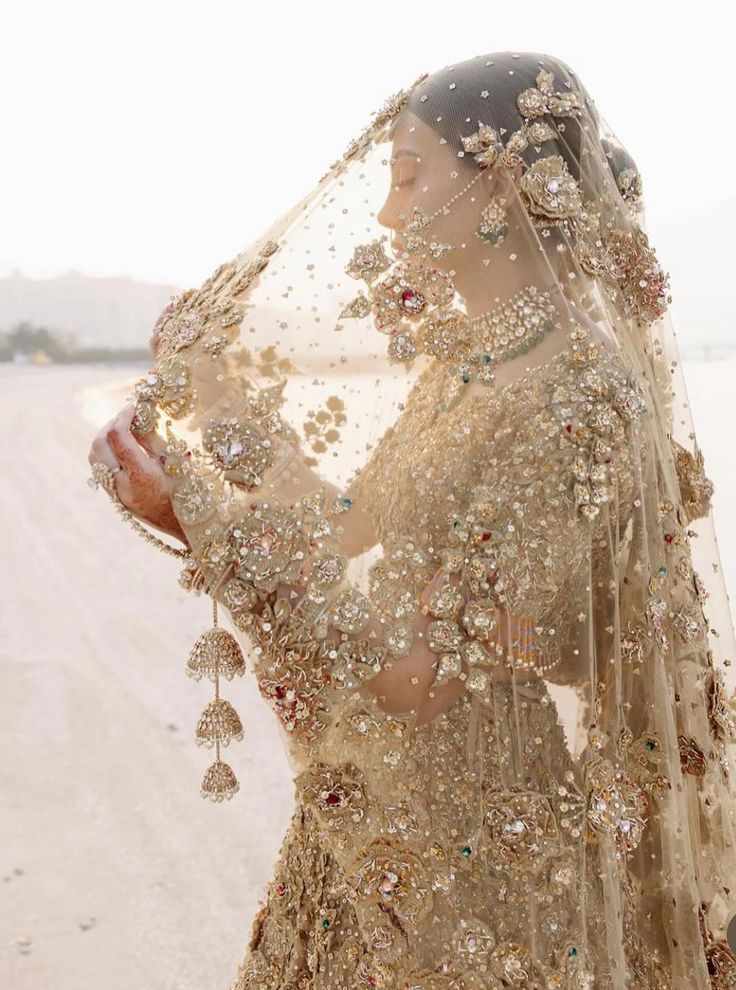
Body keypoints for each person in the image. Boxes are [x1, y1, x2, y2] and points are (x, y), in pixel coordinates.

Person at [87, 50, 736, 989]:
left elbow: (420, 677)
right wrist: (218, 399)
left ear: (499, 188)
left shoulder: (579, 397)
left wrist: (203, 526)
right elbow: (347, 523)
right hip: (376, 812)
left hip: (478, 854)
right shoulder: (468, 365)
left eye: (405, 174)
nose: (387, 214)